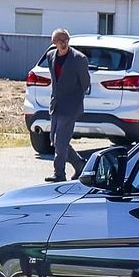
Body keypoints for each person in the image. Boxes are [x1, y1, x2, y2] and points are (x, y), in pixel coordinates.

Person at [43, 29, 91, 183]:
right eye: (60, 41)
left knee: (61, 141)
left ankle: (59, 174)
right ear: (54, 43)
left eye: (66, 40)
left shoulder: (79, 59)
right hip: (56, 104)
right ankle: (79, 164)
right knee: (55, 140)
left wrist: (75, 99)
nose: (63, 43)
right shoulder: (50, 56)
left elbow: (85, 83)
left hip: (71, 106)